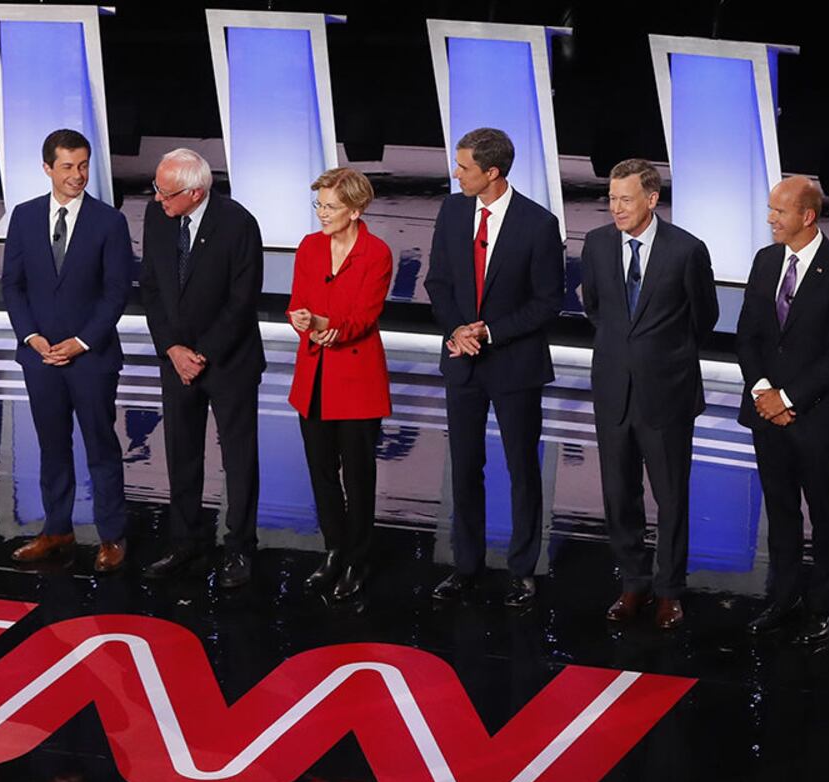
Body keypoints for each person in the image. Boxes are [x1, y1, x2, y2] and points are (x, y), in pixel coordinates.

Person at [423, 127, 565, 607]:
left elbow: (548, 302)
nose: (455, 173)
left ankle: (522, 569)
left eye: (463, 167)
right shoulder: (452, 210)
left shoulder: (538, 224)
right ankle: (466, 565)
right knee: (464, 467)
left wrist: (489, 331)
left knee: (522, 469)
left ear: (492, 173)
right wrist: (457, 330)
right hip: (462, 362)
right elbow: (437, 282)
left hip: (514, 366)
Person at [580, 158, 719, 629]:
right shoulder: (597, 245)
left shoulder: (686, 250)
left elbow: (704, 318)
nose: (616, 207)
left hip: (668, 393)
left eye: (626, 198)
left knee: (671, 497)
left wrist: (662, 356)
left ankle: (669, 590)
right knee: (619, 496)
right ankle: (634, 584)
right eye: (612, 198)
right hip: (613, 390)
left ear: (652, 199)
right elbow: (595, 309)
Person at [737, 176, 829, 643]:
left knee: (825, 512)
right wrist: (762, 392)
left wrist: (787, 399)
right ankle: (784, 597)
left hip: (815, 418)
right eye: (771, 209)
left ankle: (823, 605)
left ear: (807, 217)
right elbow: (749, 335)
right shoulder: (765, 260)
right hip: (765, 411)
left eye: (779, 211)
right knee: (780, 511)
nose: (771, 218)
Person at [2, 129, 132, 573]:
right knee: (51, 445)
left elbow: (117, 292)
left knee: (100, 446)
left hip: (91, 358)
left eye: (83, 166)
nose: (78, 175)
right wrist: (31, 337)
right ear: (47, 169)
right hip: (40, 357)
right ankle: (57, 528)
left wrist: (80, 342)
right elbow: (12, 286)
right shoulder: (22, 217)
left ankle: (112, 536)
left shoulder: (109, 222)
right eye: (68, 167)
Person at [138, 148, 265, 589]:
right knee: (181, 453)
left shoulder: (238, 223)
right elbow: (150, 288)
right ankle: (186, 541)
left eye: (166, 192)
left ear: (195, 192)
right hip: (176, 361)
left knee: (239, 459)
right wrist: (173, 348)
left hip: (228, 361)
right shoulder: (157, 218)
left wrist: (202, 353)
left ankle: (240, 549)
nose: (158, 199)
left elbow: (242, 300)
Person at [286, 167, 393, 603]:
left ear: (355, 209)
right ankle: (334, 549)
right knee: (322, 472)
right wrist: (302, 322)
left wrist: (330, 325)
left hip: (356, 379)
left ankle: (357, 559)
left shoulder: (377, 253)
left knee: (358, 476)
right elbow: (298, 305)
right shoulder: (309, 248)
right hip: (314, 375)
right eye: (319, 205)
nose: (322, 214)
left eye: (330, 207)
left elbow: (366, 316)